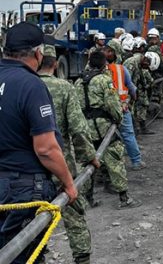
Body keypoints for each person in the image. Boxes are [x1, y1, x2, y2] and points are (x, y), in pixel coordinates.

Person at [0, 22, 77, 264]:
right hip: (22, 188)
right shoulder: (31, 84)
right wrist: (68, 184)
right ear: (38, 53)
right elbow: (45, 148)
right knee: (22, 255)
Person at [38, 44, 100, 264]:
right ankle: (82, 259)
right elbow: (78, 129)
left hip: (30, 168)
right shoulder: (65, 88)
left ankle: (37, 257)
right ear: (55, 64)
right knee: (73, 213)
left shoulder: (24, 86)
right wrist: (90, 157)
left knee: (33, 220)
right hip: (61, 164)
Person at [75, 51, 139, 209]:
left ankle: (88, 198)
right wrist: (118, 118)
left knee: (88, 162)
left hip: (86, 128)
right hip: (103, 127)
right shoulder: (104, 80)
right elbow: (113, 105)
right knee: (114, 158)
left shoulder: (79, 82)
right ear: (104, 65)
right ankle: (124, 198)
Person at [103, 46, 146, 170]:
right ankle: (136, 162)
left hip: (103, 111)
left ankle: (103, 166)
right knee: (128, 134)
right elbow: (132, 88)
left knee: (103, 138)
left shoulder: (96, 71)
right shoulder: (121, 69)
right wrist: (132, 100)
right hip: (121, 107)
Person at [146, 28, 163, 104]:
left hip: (150, 76)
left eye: (154, 39)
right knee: (156, 95)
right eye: (151, 39)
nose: (152, 41)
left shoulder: (145, 48)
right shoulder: (155, 49)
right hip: (155, 76)